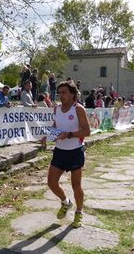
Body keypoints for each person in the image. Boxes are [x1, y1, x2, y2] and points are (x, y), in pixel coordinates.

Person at [46, 81, 90, 228]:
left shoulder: (78, 109)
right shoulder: (56, 108)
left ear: (72, 94)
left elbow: (87, 131)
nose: (61, 95)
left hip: (75, 151)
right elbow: (55, 126)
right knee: (51, 183)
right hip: (60, 151)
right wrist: (47, 135)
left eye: (64, 92)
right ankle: (66, 202)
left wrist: (69, 134)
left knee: (76, 185)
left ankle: (79, 212)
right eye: (59, 93)